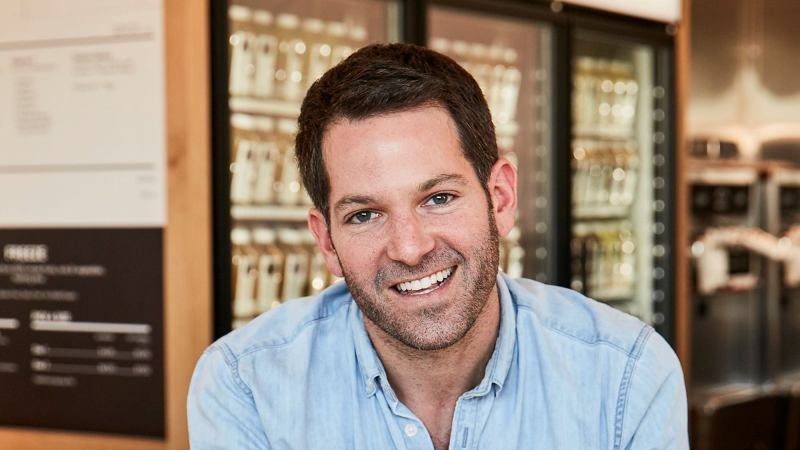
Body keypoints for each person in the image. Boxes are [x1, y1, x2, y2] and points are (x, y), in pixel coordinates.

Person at [188, 43, 688, 449]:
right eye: (364, 215)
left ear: (501, 198)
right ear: (327, 241)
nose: (409, 248)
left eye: (439, 198)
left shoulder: (625, 375)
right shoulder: (245, 384)